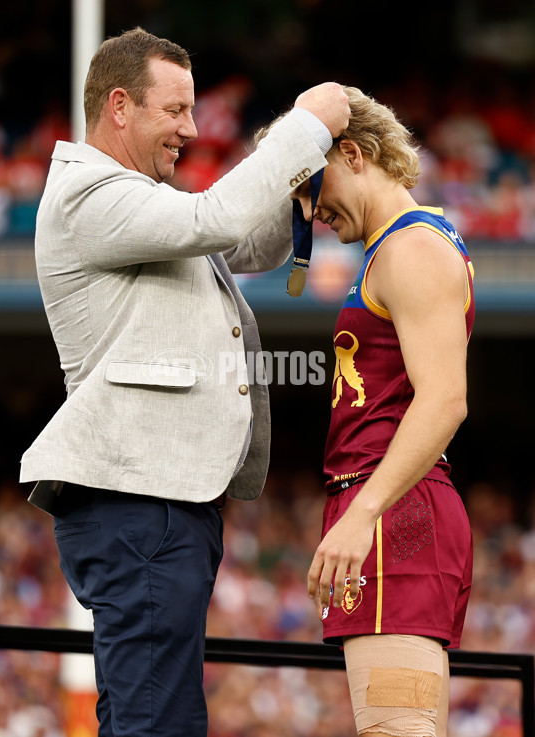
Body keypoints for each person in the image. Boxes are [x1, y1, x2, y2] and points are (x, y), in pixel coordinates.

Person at [19, 26, 349, 737]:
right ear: (118, 106)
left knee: (155, 714)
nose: (191, 129)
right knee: (154, 720)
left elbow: (244, 241)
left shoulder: (135, 202)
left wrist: (294, 185)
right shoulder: (87, 195)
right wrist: (306, 128)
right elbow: (217, 216)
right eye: (175, 110)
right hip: (138, 497)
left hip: (159, 498)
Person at [299, 87, 474, 737]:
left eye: (311, 187)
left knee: (394, 730)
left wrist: (364, 513)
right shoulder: (397, 245)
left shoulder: (410, 247)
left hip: (392, 508)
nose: (309, 211)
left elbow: (445, 398)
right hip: (394, 504)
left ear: (351, 153)